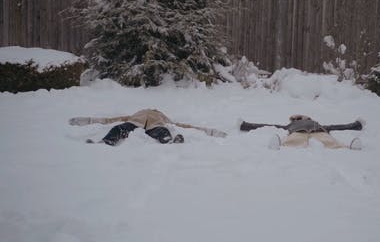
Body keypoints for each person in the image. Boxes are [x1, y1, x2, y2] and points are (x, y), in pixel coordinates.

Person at [69, 109, 227, 146]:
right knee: (119, 127)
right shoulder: (138, 113)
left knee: (163, 131)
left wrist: (211, 132)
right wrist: (87, 120)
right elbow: (111, 119)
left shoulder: (161, 116)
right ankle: (106, 142)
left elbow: (179, 125)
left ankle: (169, 141)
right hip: (134, 124)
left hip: (154, 126)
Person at [240, 114, 364, 149]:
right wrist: (245, 125)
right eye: (299, 118)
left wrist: (356, 125)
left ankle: (350, 147)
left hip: (318, 131)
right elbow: (268, 125)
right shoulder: (291, 124)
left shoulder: (317, 123)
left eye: (303, 117)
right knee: (291, 141)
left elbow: (337, 126)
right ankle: (278, 145)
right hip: (297, 132)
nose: (301, 118)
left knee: (330, 141)